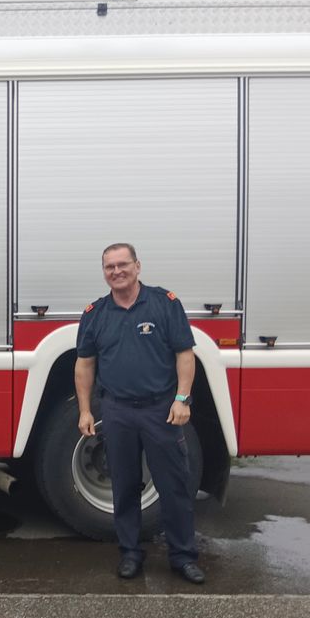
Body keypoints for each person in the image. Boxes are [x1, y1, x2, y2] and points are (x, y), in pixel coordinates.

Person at [74, 243, 205, 584]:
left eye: (123, 264)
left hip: (160, 410)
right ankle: (130, 553)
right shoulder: (95, 314)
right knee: (125, 486)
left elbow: (185, 354)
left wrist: (182, 399)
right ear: (103, 272)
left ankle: (183, 556)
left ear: (137, 266)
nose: (116, 272)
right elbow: (84, 364)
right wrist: (86, 410)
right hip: (116, 411)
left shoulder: (164, 304)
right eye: (109, 267)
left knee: (173, 486)